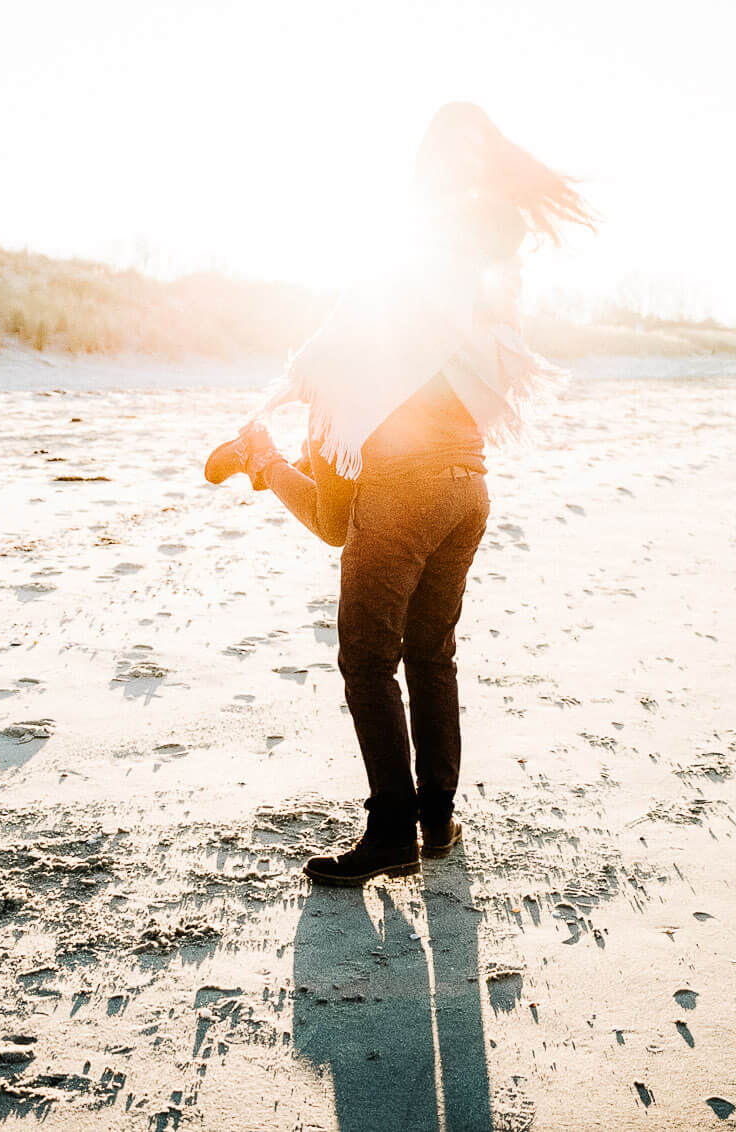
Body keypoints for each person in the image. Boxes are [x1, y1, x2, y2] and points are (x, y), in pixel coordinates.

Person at [204, 103, 594, 884]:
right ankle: (437, 819)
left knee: (366, 659)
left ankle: (391, 833)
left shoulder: (428, 251)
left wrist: (301, 381)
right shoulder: (489, 261)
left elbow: (349, 342)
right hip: (468, 486)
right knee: (430, 655)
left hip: (407, 483)